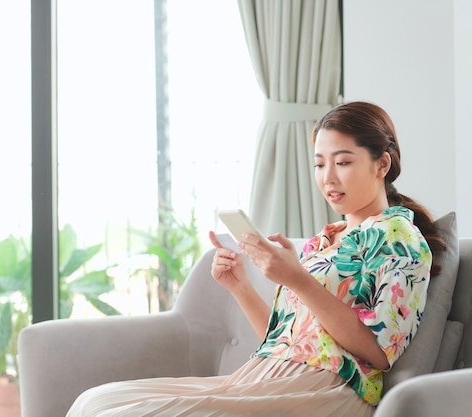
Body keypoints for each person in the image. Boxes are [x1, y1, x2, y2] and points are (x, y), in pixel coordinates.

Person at [66, 101, 446, 416]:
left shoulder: (399, 238)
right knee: (94, 402)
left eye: (343, 162)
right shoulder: (322, 243)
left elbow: (379, 353)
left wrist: (297, 279)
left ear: (381, 164)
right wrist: (241, 287)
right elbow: (285, 339)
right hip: (266, 375)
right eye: (319, 163)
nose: (328, 177)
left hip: (328, 389)